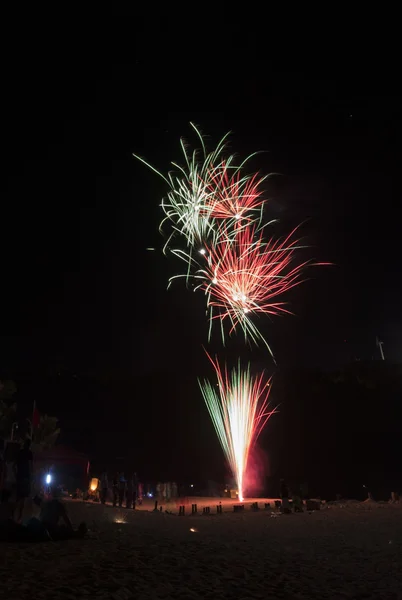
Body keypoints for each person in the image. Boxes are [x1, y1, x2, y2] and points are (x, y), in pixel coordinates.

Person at [14, 439, 33, 523]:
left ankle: (14, 515)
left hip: (19, 477)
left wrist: (16, 474)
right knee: (22, 498)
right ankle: (19, 517)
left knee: (18, 497)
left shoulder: (20, 452)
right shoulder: (29, 453)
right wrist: (31, 477)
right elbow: (30, 466)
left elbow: (15, 465)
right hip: (25, 477)